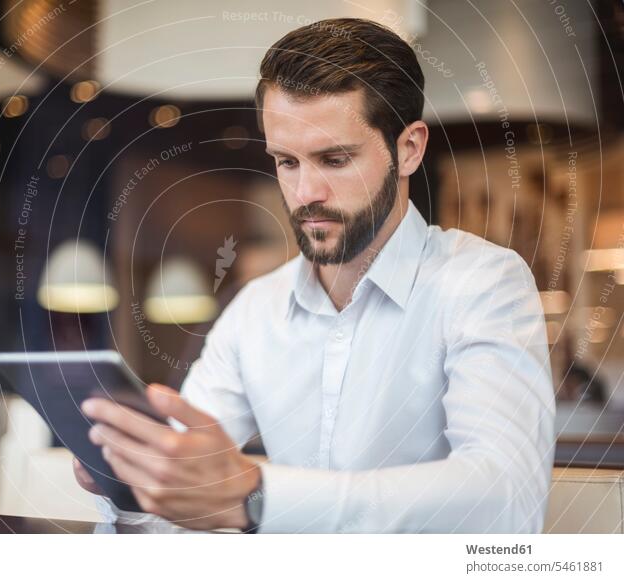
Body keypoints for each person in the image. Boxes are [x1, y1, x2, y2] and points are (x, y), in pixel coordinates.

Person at [74, 17, 555, 533]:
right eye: (286, 162)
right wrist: (133, 486)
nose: (306, 193)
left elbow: (506, 498)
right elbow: (188, 488)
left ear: (409, 148)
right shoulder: (255, 310)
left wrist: (257, 498)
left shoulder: (483, 284)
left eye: (334, 159)